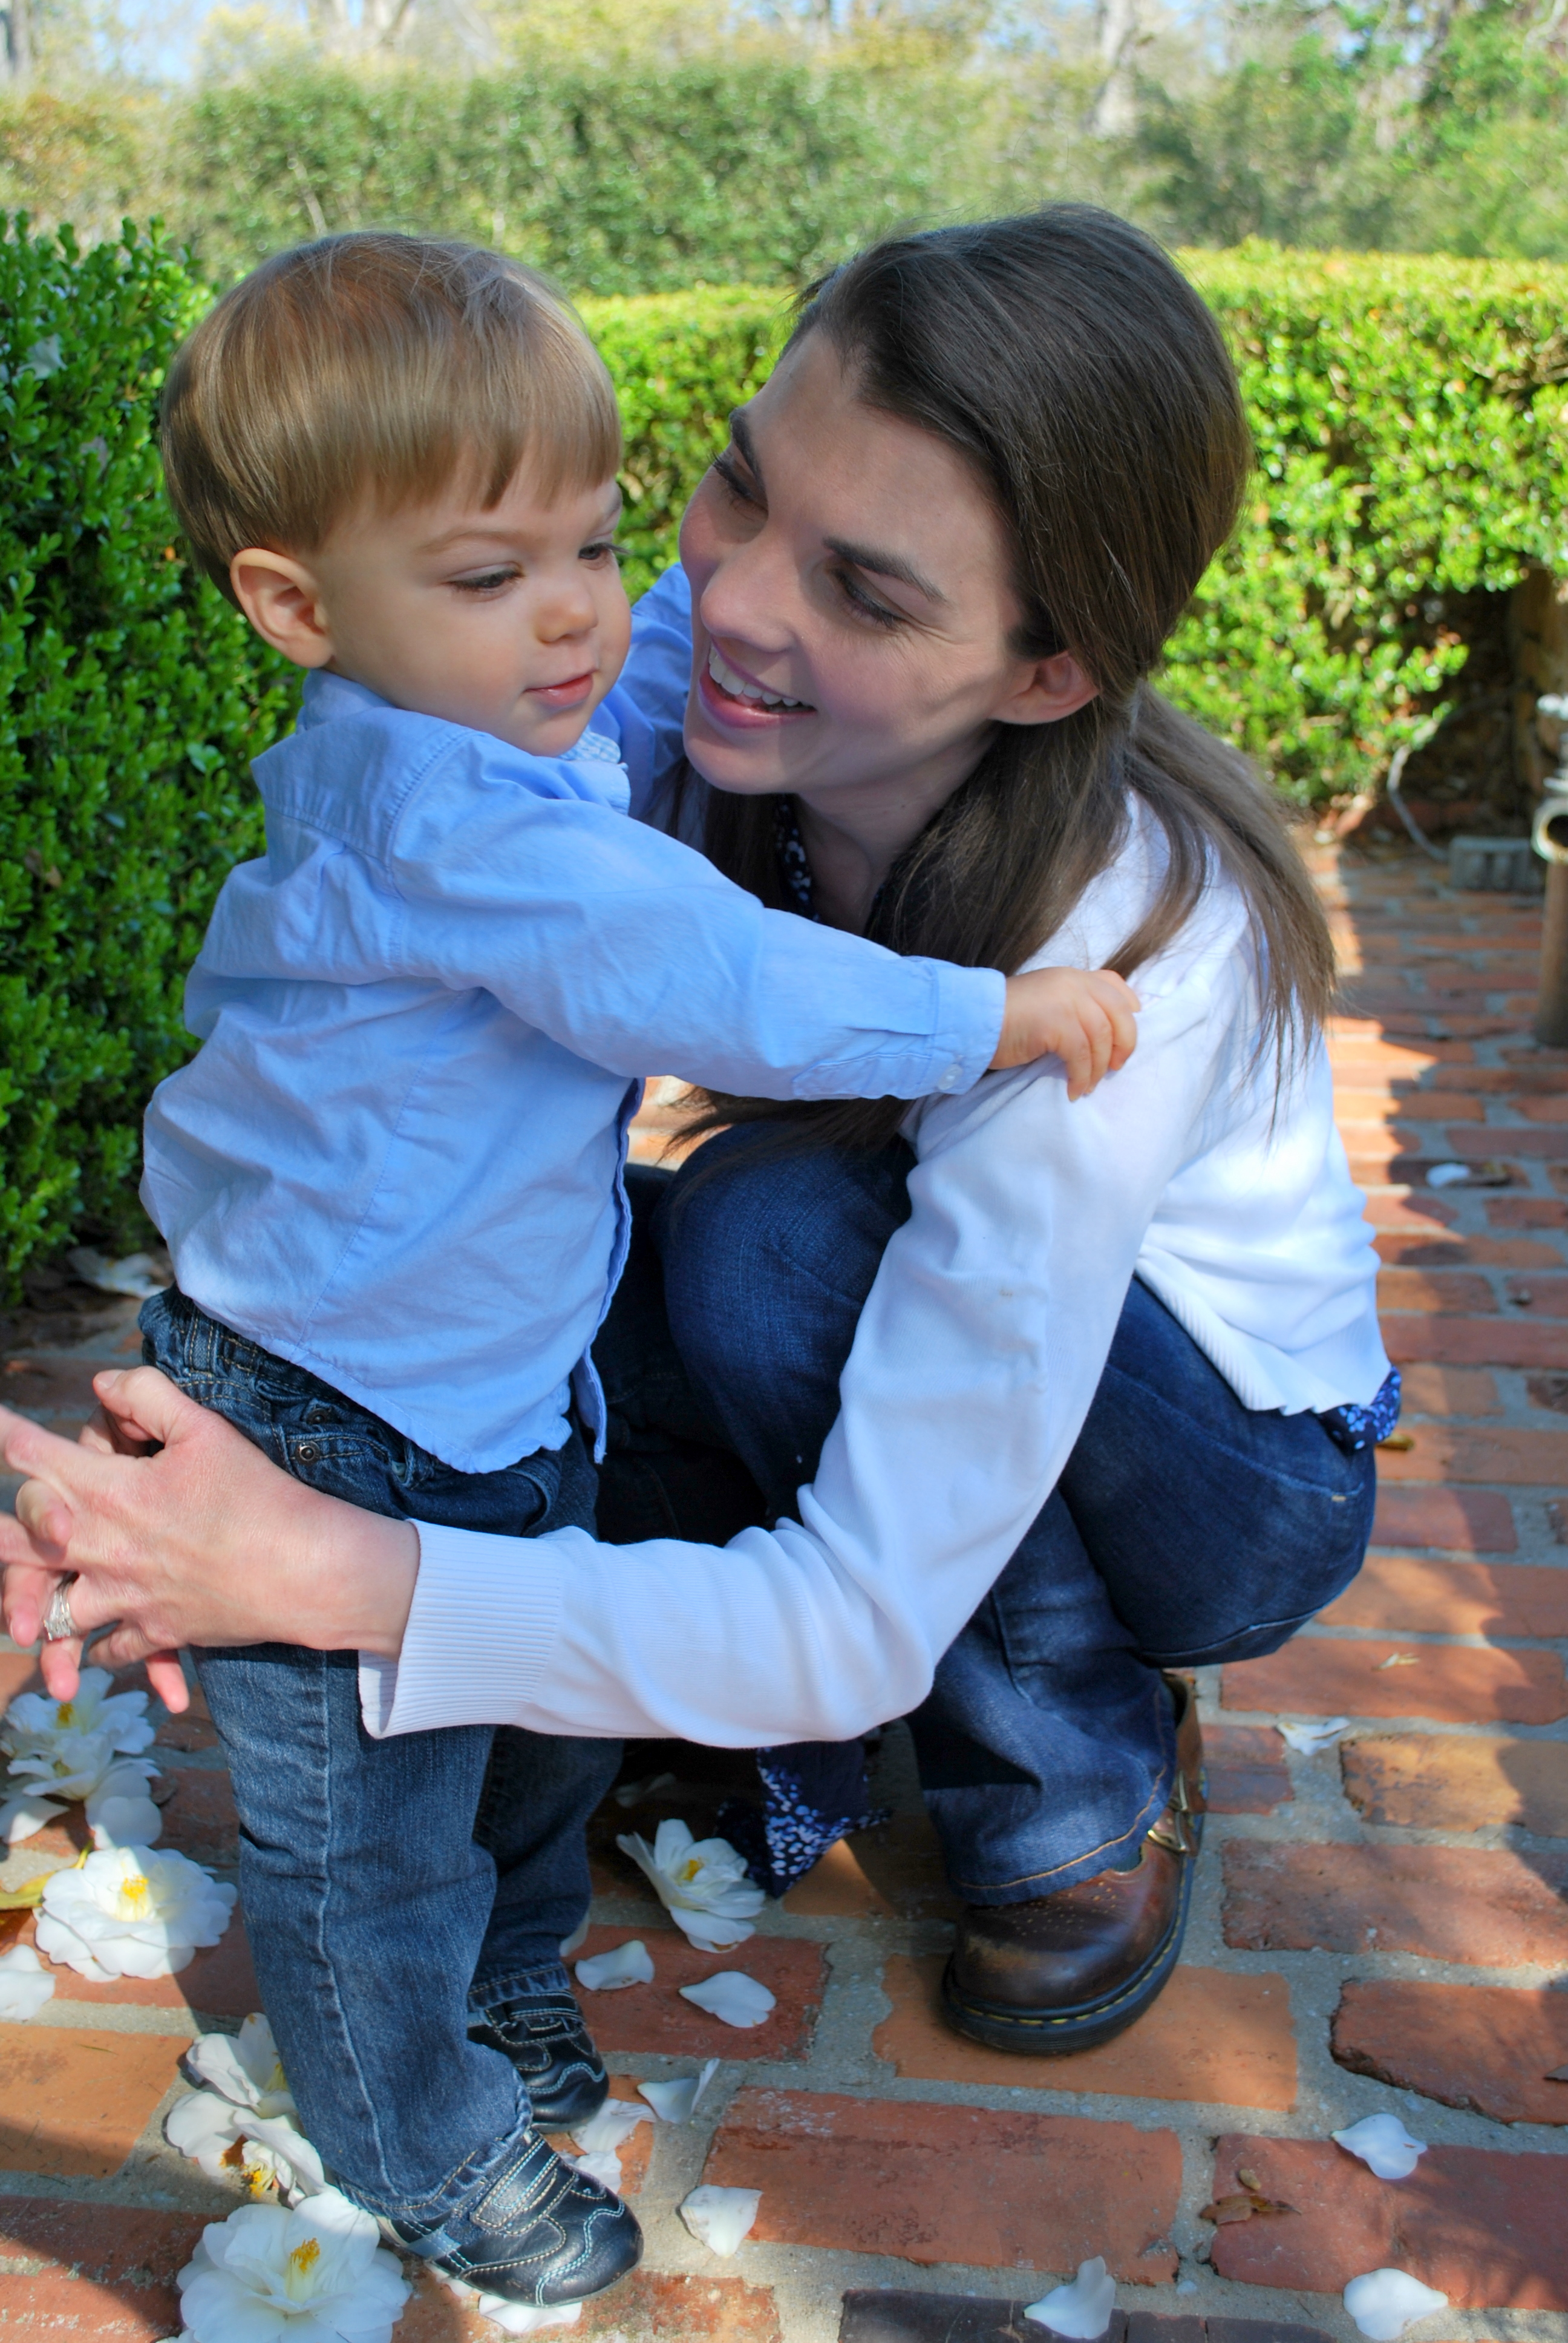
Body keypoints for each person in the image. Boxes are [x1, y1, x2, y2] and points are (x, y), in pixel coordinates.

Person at [0, 206, 1392, 2088]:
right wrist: (203, 1441)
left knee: (765, 1247)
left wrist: (316, 1569)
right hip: (912, 1307)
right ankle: (663, 1645)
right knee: (543, 1271)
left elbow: (855, 1620)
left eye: (867, 593)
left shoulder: (1130, 961)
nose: (726, 604)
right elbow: (372, 1115)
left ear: (1049, 670)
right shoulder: (671, 656)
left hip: (1228, 1475)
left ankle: (1073, 1771)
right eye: (737, 485)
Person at [120, 227, 1137, 2315]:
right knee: (365, 1836)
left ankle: (504, 1987)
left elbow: (673, 653)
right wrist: (987, 1015)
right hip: (320, 1403)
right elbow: (726, 983)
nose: (584, 609)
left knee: (532, 1741)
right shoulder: (460, 819)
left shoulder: (489, 713)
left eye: (595, 538)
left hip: (488, 1372)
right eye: (494, 573)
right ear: (299, 608)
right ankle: (413, 2137)